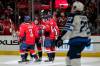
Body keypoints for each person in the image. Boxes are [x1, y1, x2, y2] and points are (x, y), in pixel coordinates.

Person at [61, 1, 91, 66]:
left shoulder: (73, 16)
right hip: (83, 41)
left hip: (76, 41)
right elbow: (88, 30)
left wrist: (61, 38)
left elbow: (68, 29)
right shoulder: (84, 17)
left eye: (72, 7)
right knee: (68, 58)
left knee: (75, 60)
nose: (71, 8)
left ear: (75, 8)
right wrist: (89, 39)